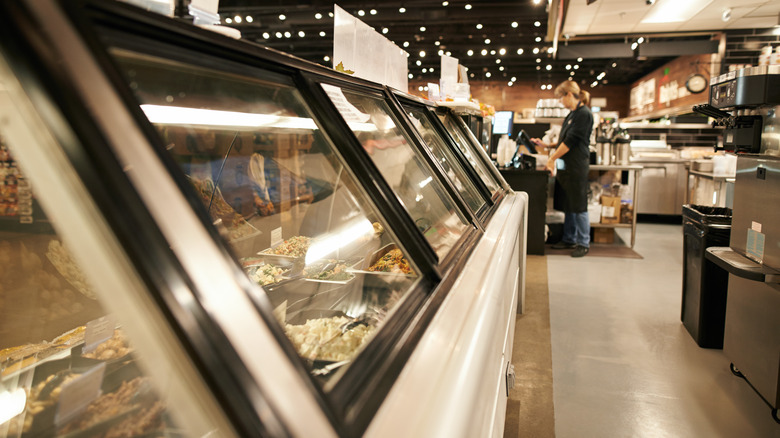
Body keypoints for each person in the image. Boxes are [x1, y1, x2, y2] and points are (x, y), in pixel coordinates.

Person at [531, 80, 593, 257]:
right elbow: (563, 141)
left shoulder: (584, 114)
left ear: (568, 94)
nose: (560, 102)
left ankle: (583, 242)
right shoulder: (571, 115)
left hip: (577, 166)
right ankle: (569, 238)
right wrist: (547, 145)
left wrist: (552, 159)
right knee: (569, 204)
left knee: (579, 205)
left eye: (560, 98)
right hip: (567, 167)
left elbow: (571, 142)